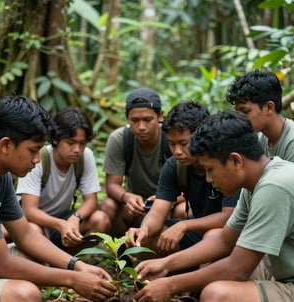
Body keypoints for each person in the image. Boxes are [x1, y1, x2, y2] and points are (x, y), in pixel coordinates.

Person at [0, 96, 116, 302]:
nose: (36, 159)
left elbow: (24, 234)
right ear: (6, 145)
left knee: (33, 258)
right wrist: (73, 280)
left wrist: (77, 265)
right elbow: (0, 266)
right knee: (24, 295)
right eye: (33, 150)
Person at [133, 110, 294, 302]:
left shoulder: (274, 187)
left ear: (235, 160)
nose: (209, 179)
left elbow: (237, 268)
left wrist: (171, 285)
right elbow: (224, 240)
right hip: (283, 271)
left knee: (218, 295)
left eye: (210, 169)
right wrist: (166, 264)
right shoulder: (256, 183)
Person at [126, 102, 238, 255]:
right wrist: (144, 229)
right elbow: (158, 210)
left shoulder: (224, 162)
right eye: (172, 144)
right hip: (196, 227)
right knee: (147, 239)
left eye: (184, 143)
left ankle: (203, 278)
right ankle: (154, 274)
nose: (177, 151)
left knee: (212, 237)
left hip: (228, 233)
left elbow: (229, 216)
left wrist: (185, 225)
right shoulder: (175, 166)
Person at [16, 107, 109, 251]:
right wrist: (60, 224)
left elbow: (91, 201)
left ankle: (69, 262)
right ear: (55, 139)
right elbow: (29, 210)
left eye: (82, 143)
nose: (77, 149)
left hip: (63, 218)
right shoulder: (38, 158)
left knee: (100, 220)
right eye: (71, 143)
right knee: (34, 229)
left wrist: (75, 218)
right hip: (36, 222)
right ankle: (49, 266)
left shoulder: (86, 157)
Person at [101, 87, 171, 237]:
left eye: (147, 120)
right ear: (127, 118)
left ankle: (172, 257)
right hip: (133, 207)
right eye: (135, 120)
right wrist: (127, 197)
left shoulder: (171, 139)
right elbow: (112, 185)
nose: (141, 127)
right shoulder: (120, 139)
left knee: (183, 209)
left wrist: (165, 199)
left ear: (160, 116)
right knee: (108, 206)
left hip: (168, 205)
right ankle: (121, 255)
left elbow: (188, 186)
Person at [227, 69, 294, 165]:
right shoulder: (260, 139)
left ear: (269, 108)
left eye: (245, 111)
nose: (239, 118)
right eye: (237, 112)